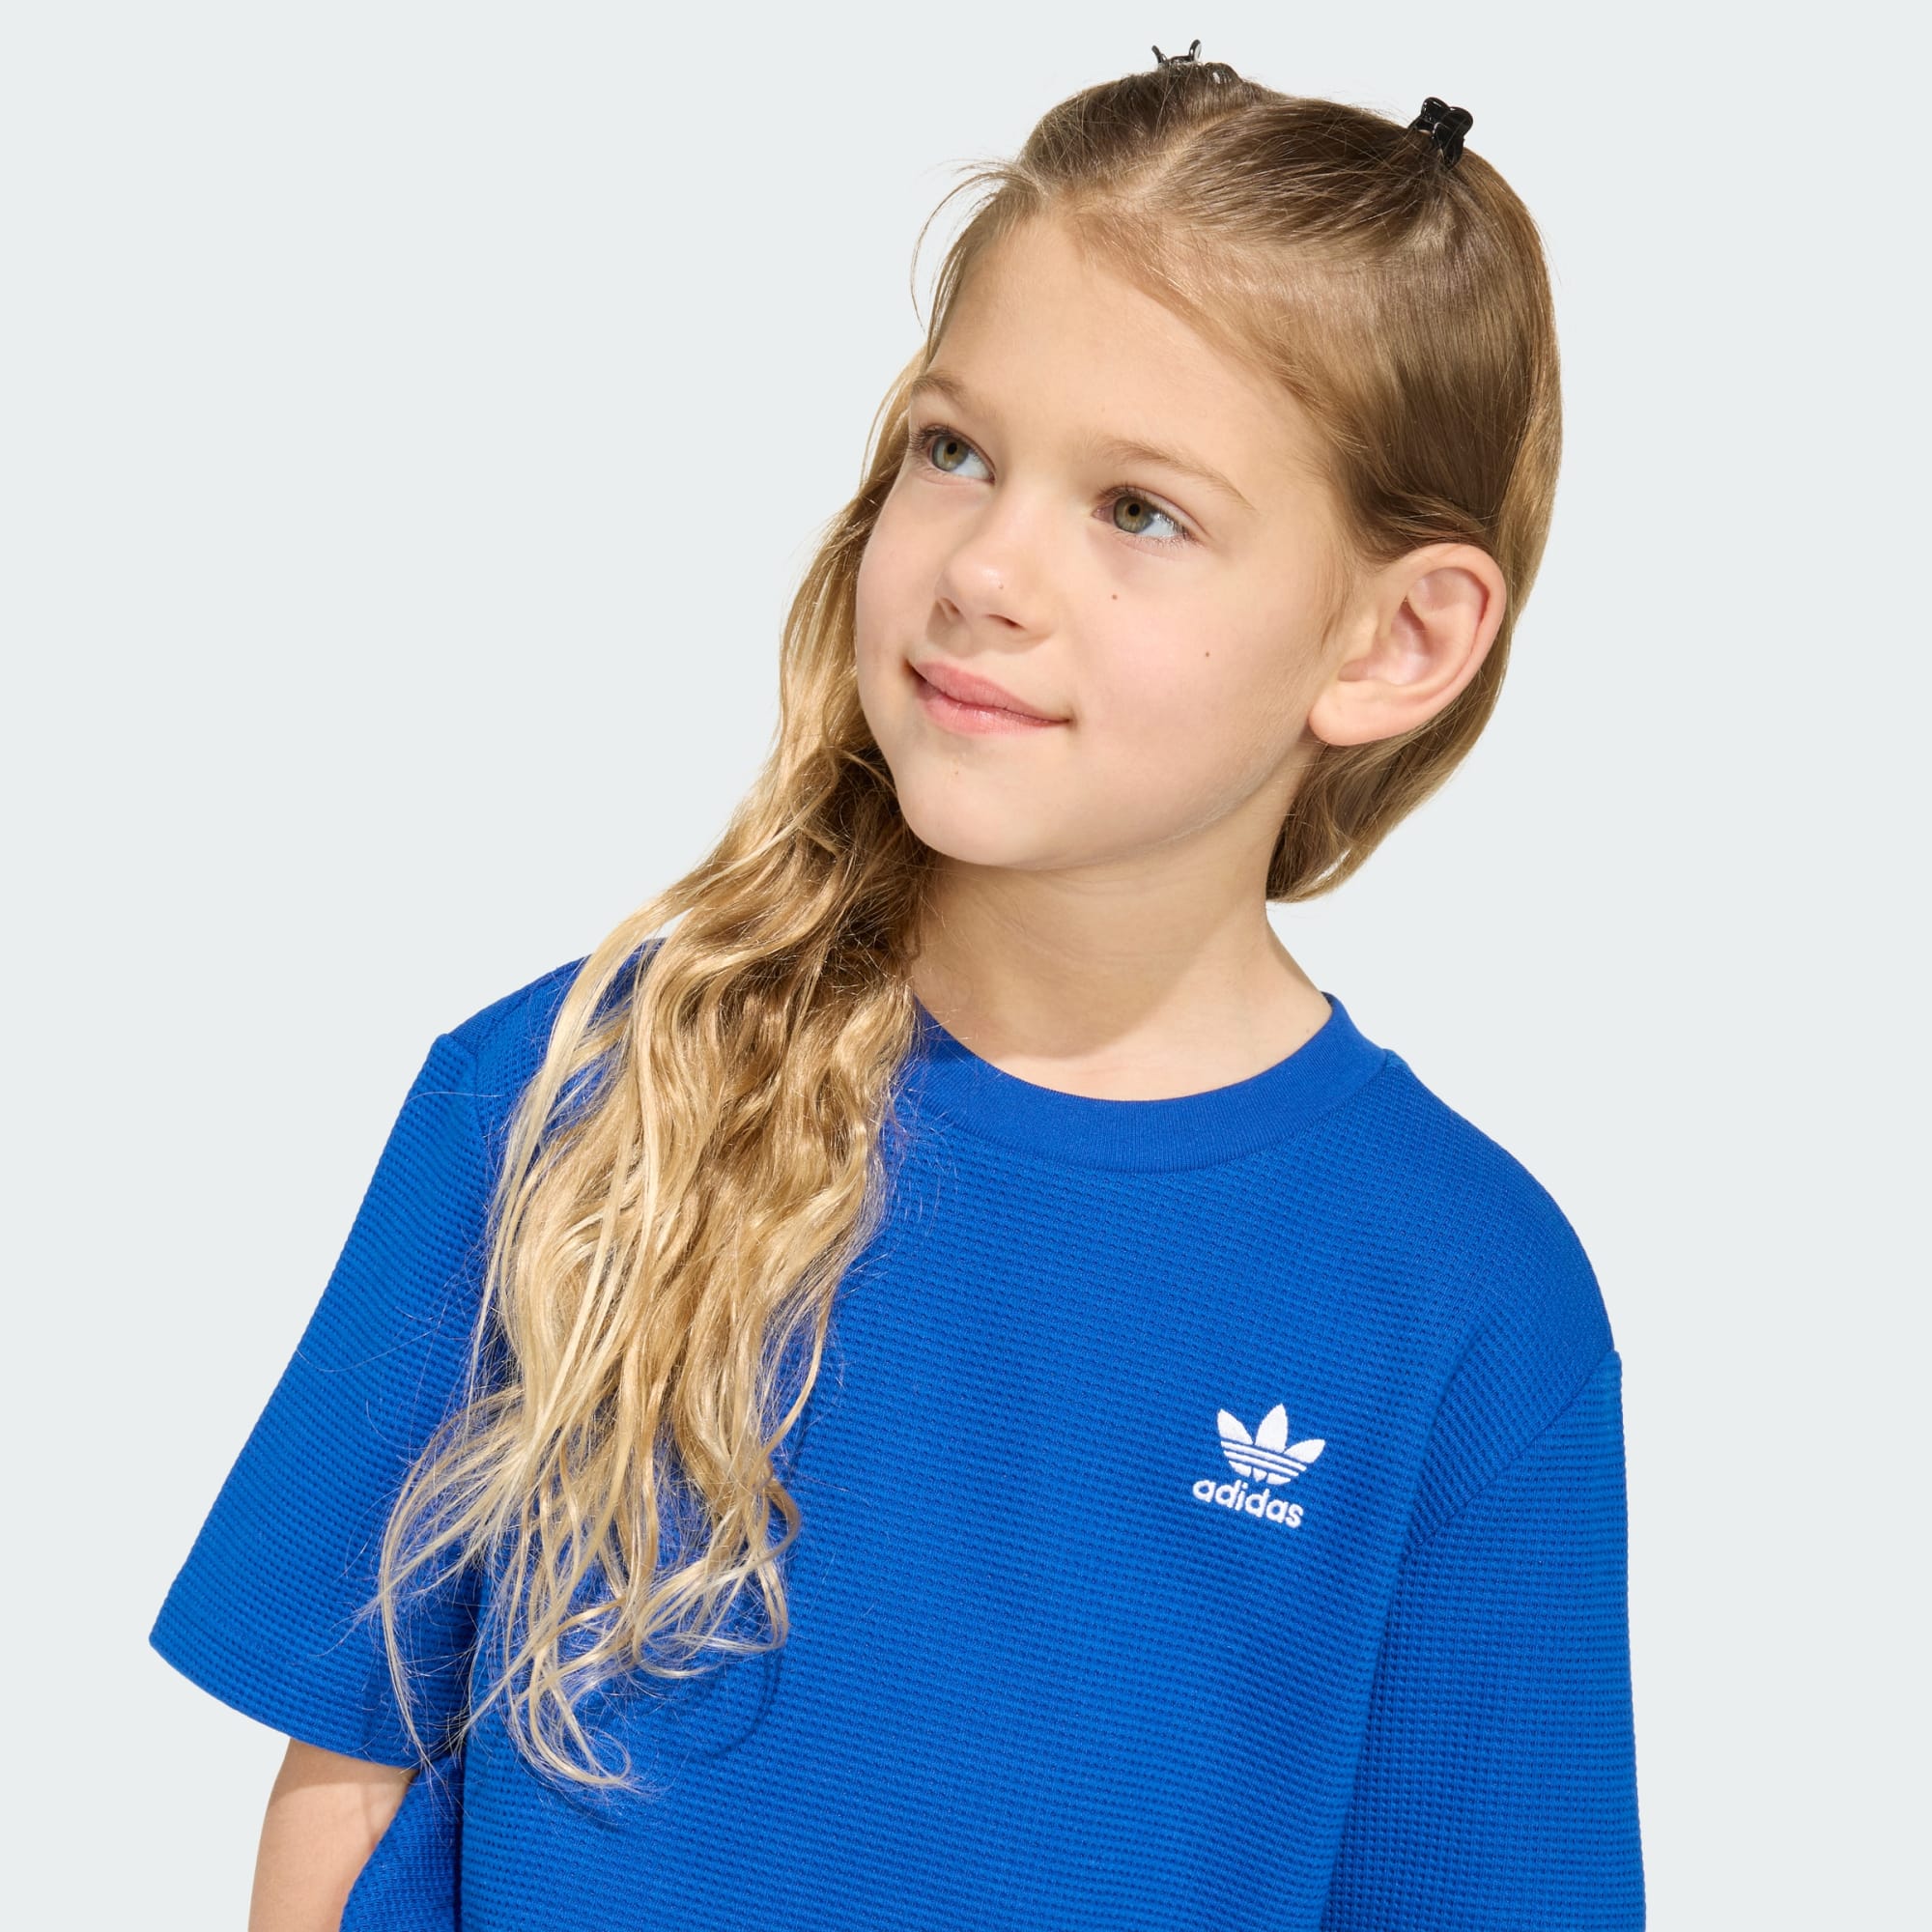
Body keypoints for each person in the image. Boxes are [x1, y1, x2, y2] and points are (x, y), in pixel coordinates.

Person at [150, 43, 1645, 1932]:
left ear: (1397, 638)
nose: (986, 567)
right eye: (956, 450)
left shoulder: (1462, 1302)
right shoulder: (569, 1094)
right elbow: (348, 1789)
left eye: (1138, 510)